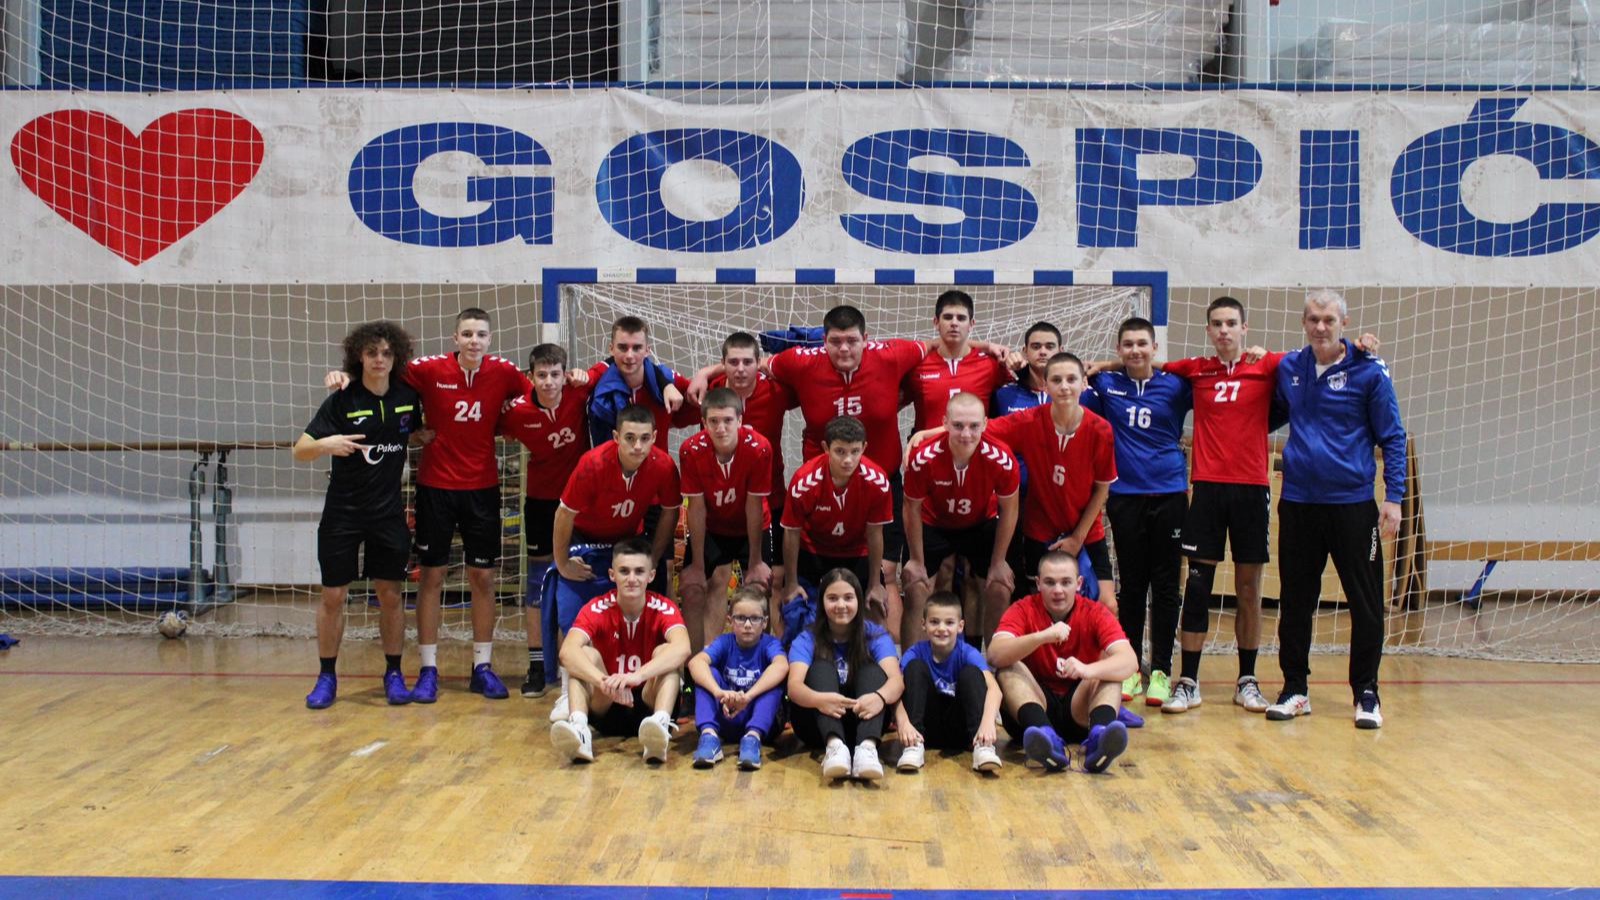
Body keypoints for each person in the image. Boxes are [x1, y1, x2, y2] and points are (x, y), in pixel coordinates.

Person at [325, 308, 532, 703]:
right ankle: (428, 669)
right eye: (467, 334)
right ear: (455, 338)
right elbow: (380, 376)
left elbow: (536, 393)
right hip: (435, 487)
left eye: (481, 335)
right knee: (432, 577)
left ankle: (482, 667)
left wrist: (510, 421)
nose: (474, 341)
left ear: (490, 339)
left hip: (483, 488)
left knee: (483, 577)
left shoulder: (504, 372)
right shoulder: (428, 369)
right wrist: (347, 377)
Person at [1267, 289, 1407, 729]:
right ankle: (1294, 689)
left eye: (1329, 319)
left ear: (1344, 323)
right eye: (1313, 319)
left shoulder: (1369, 370)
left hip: (1352, 506)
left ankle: (1366, 693)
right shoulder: (1290, 368)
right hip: (1298, 504)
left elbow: (1393, 437)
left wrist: (1395, 498)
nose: (1320, 327)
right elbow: (1269, 411)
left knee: (1365, 603)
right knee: (1295, 602)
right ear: (1303, 322)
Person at [295, 322, 422, 709]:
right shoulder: (342, 399)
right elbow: (300, 450)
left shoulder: (408, 397)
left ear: (396, 357)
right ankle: (326, 676)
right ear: (359, 357)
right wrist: (326, 444)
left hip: (388, 514)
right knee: (333, 595)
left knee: (390, 595)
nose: (379, 359)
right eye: (371, 353)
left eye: (386, 353)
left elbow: (416, 431)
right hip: (343, 514)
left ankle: (394, 673)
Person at [1083, 317, 1192, 708]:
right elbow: (1079, 379)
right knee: (1131, 584)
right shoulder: (1106, 384)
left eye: (1142, 344)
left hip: (1170, 493)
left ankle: (1161, 669)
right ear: (1118, 349)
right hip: (1125, 495)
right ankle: (1130, 666)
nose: (1135, 350)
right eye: (1127, 344)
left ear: (1154, 347)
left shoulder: (1176, 385)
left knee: (1165, 585)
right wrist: (1105, 367)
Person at [548, 404, 682, 717]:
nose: (638, 446)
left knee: (647, 604)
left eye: (645, 438)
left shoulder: (663, 465)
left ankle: (651, 684)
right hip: (584, 537)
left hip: (627, 539)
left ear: (655, 437)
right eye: (630, 438)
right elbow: (564, 514)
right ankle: (568, 692)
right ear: (615, 437)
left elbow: (670, 511)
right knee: (572, 610)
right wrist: (562, 562)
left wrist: (655, 557)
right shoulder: (592, 464)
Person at [979, 352, 1118, 609]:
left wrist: (1077, 538)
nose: (1064, 386)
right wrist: (928, 434)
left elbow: (1102, 489)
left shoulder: (1101, 430)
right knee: (1042, 604)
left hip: (1086, 530)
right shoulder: (1029, 421)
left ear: (1084, 384)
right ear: (1045, 385)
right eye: (1056, 380)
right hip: (1040, 529)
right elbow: (975, 429)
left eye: (1071, 379)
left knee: (1107, 605)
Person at [987, 551, 1137, 774]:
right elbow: (994, 654)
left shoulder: (1095, 612)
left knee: (1110, 669)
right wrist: (1041, 637)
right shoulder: (1022, 608)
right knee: (1007, 667)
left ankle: (1099, 737)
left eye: (1066, 582)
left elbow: (1130, 661)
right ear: (1038, 583)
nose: (1058, 590)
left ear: (1079, 583)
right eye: (1050, 582)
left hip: (1079, 711)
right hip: (1033, 712)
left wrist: (1087, 669)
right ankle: (1045, 737)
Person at [498, 343, 591, 698]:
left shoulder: (579, 393)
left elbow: (609, 368)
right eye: (541, 375)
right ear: (530, 376)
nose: (549, 382)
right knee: (538, 580)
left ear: (565, 375)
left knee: (580, 573)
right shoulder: (517, 411)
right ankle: (538, 665)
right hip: (540, 501)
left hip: (581, 500)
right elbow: (488, 424)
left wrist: (586, 375)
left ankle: (578, 662)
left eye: (555, 374)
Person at [550, 537, 692, 764]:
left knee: (667, 651)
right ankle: (579, 730)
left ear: (651, 576)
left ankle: (659, 730)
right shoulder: (596, 607)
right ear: (612, 575)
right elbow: (567, 652)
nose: (632, 579)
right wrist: (603, 681)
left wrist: (638, 676)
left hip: (648, 702)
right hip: (607, 703)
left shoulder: (664, 607)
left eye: (639, 572)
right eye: (624, 571)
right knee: (584, 655)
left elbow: (683, 648)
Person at [900, 392, 1020, 647]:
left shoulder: (1002, 458)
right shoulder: (923, 457)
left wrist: (999, 561)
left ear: (985, 424)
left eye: (974, 426)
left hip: (980, 523)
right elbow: (911, 508)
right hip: (934, 523)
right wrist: (916, 560)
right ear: (944, 423)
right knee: (915, 584)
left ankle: (994, 662)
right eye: (958, 425)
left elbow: (1010, 509)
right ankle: (911, 664)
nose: (966, 434)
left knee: (1000, 586)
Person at [678, 387, 775, 652]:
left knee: (759, 587)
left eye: (728, 420)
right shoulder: (690, 450)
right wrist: (697, 565)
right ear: (703, 422)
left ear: (740, 420)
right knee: (694, 588)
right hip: (713, 526)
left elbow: (754, 506)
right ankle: (698, 662)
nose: (721, 428)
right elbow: (696, 508)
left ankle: (759, 660)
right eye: (713, 421)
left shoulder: (759, 448)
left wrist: (755, 561)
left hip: (751, 526)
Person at [786, 568, 905, 781]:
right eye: (832, 598)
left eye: (848, 598)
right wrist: (819, 700)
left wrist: (879, 698)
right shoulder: (807, 637)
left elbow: (897, 681)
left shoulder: (875, 634)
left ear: (859, 601)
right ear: (822, 602)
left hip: (863, 719)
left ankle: (867, 749)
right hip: (816, 726)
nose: (841, 605)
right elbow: (794, 687)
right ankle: (835, 747)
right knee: (820, 668)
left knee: (872, 670)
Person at [777, 416, 894, 617]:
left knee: (876, 607)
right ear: (826, 448)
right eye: (840, 451)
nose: (848, 460)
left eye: (855, 451)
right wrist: (792, 582)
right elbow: (791, 533)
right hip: (813, 549)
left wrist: (875, 584)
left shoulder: (878, 482)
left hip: (857, 551)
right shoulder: (804, 482)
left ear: (864, 448)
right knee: (793, 610)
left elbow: (875, 533)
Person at [705, 331, 796, 585]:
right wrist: (703, 374)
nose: (741, 369)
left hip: (770, 499)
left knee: (771, 580)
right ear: (723, 364)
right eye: (733, 362)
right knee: (714, 581)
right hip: (721, 509)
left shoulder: (777, 391)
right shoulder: (708, 392)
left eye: (747, 362)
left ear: (759, 363)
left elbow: (814, 381)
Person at [895, 591, 1003, 773]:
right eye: (934, 622)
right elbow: (895, 689)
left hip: (961, 730)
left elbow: (995, 690)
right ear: (923, 624)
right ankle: (913, 746)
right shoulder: (915, 653)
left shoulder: (968, 653)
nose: (941, 628)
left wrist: (987, 723)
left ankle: (982, 745)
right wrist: (903, 722)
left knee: (972, 673)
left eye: (949, 622)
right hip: (926, 730)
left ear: (960, 626)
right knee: (914, 668)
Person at [686, 587, 790, 770]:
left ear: (765, 622)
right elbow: (695, 662)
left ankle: (752, 739)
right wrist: (718, 692)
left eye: (755, 618)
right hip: (727, 714)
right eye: (741, 618)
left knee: (774, 681)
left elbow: (782, 666)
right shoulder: (724, 642)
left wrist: (748, 697)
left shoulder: (770, 644)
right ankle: (709, 737)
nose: (748, 625)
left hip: (762, 723)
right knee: (707, 673)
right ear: (730, 621)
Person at [904, 290, 1012, 433]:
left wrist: (1019, 360)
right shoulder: (918, 366)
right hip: (929, 446)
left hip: (975, 446)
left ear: (971, 324)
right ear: (936, 322)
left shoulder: (990, 365)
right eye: (948, 317)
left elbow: (1025, 388)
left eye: (961, 318)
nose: (954, 323)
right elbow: (893, 404)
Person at [991, 321, 1060, 416]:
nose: (1043, 352)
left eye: (1049, 347)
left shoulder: (1076, 393)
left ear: (1060, 351)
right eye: (1036, 347)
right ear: (1025, 351)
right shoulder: (1003, 394)